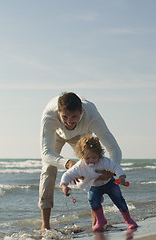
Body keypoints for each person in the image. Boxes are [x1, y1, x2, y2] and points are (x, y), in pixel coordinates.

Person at [39, 92, 122, 230]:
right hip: (56, 135)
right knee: (48, 168)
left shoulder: (92, 115)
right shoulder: (49, 116)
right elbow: (46, 154)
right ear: (58, 112)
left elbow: (114, 149)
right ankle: (45, 226)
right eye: (64, 116)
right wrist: (69, 164)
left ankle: (96, 221)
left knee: (94, 167)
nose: (69, 122)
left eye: (74, 117)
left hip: (81, 135)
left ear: (81, 112)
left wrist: (109, 172)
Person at [60, 134, 137, 231]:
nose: (91, 160)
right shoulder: (80, 165)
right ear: (82, 156)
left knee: (119, 199)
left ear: (99, 154)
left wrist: (121, 176)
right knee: (93, 201)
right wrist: (64, 185)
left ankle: (128, 220)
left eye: (94, 157)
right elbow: (67, 175)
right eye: (87, 158)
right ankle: (100, 221)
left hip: (109, 184)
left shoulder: (104, 161)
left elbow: (115, 167)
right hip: (94, 187)